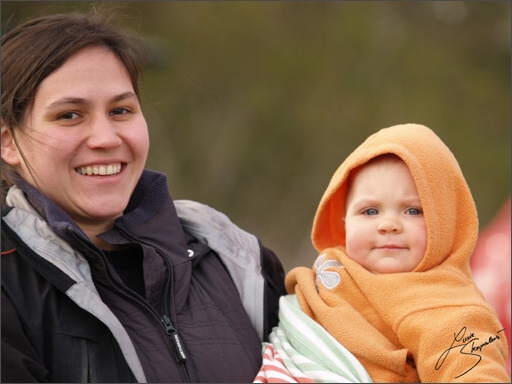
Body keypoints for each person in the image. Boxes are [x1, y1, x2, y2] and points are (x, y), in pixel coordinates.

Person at [1, 5, 286, 383]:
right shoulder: (8, 283)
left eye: (121, 110)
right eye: (69, 115)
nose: (106, 138)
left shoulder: (235, 256)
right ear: (8, 142)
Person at [255, 124, 509, 382]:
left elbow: (473, 368)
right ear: (344, 218)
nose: (388, 224)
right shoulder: (334, 265)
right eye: (370, 211)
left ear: (447, 222)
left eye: (412, 211)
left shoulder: (446, 301)